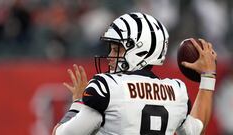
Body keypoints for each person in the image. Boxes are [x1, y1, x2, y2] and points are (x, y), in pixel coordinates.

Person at [52, 12, 217, 135]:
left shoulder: (108, 87)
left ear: (140, 50)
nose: (110, 56)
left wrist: (78, 103)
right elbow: (197, 129)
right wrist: (208, 76)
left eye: (117, 49)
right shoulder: (176, 91)